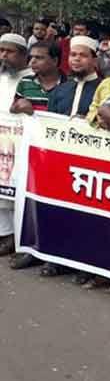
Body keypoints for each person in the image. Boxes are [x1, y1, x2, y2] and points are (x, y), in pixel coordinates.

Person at [0, 33, 32, 256]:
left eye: (9, 51)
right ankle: (5, 234)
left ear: (23, 55)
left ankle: (19, 239)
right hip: (2, 143)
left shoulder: (32, 80)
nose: (4, 56)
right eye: (1, 51)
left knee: (18, 192)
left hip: (22, 144)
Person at [47, 36, 102, 117]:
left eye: (83, 55)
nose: (77, 59)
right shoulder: (59, 90)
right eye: (73, 55)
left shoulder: (104, 89)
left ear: (95, 61)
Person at [12, 42, 66, 113]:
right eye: (31, 57)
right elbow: (13, 109)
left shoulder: (70, 84)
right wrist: (18, 107)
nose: (32, 62)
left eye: (39, 58)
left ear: (55, 61)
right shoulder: (25, 81)